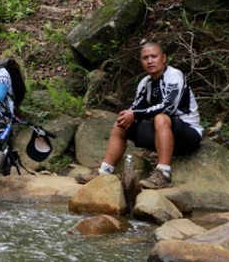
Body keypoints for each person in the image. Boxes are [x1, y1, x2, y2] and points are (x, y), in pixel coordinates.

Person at [84, 42, 203, 189]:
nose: (150, 61)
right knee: (121, 124)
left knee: (161, 117)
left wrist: (135, 114)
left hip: (188, 134)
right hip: (162, 135)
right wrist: (128, 116)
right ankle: (105, 171)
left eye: (154, 56)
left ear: (164, 58)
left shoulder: (174, 76)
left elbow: (168, 107)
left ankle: (164, 174)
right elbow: (136, 109)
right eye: (145, 58)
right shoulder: (145, 83)